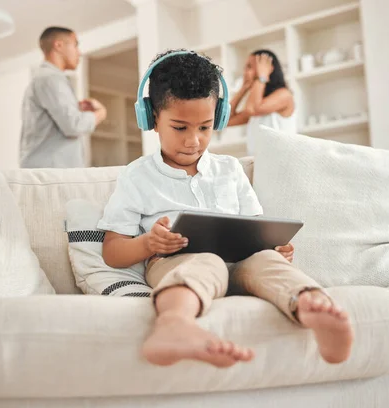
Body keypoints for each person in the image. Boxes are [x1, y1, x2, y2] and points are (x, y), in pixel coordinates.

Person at [97, 49, 353, 368]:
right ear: (151, 119)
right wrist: (148, 243)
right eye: (180, 128)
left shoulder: (230, 169)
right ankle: (174, 324)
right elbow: (112, 251)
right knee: (206, 262)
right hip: (176, 261)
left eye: (204, 128)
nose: (194, 141)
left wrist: (273, 245)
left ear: (217, 118)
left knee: (268, 261)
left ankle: (310, 306)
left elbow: (256, 226)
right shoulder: (138, 176)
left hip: (243, 261)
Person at [20, 26, 107, 168]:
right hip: (50, 174)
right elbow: (73, 126)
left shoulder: (46, 79)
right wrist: (100, 114)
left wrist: (75, 109)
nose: (79, 53)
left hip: (48, 172)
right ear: (59, 45)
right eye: (75, 45)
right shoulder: (50, 79)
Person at [227, 49, 296, 155]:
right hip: (260, 165)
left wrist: (262, 76)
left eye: (249, 67)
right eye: (245, 67)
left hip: (280, 163)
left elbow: (253, 109)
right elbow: (225, 121)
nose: (245, 72)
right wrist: (243, 88)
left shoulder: (284, 95)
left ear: (268, 69)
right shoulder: (256, 104)